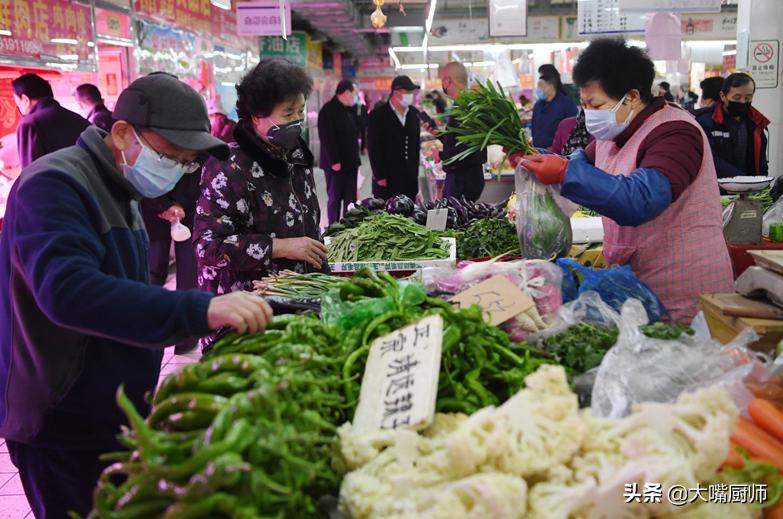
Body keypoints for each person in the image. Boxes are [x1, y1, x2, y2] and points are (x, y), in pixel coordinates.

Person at [0, 73, 273, 518]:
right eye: (171, 157)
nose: (176, 171)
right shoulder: (53, 184)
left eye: (187, 163)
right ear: (124, 133)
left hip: (108, 414)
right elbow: (68, 291)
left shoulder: (120, 185)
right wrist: (200, 309)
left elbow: (126, 287)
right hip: (62, 420)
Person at [514, 38, 733, 323]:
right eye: (583, 104)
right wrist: (530, 158)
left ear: (631, 96)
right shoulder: (613, 133)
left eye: (595, 104)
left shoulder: (676, 134)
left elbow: (640, 200)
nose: (589, 114)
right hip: (638, 287)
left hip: (685, 293)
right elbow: (575, 163)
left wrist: (563, 173)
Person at [194, 59, 326, 348]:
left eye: (300, 111)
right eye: (287, 112)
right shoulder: (228, 167)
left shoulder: (295, 156)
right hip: (246, 314)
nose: (296, 120)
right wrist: (282, 246)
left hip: (296, 305)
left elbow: (307, 224)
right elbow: (208, 246)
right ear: (256, 114)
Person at [696, 73, 769, 179]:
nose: (743, 102)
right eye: (737, 97)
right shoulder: (706, 122)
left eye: (748, 97)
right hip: (717, 189)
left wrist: (762, 183)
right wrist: (742, 179)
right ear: (723, 96)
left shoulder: (756, 123)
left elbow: (761, 161)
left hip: (750, 189)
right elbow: (710, 159)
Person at [13, 73, 90, 168]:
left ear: (25, 100)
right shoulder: (79, 119)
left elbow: (31, 172)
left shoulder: (30, 124)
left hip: (51, 182)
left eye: (17, 102)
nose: (18, 107)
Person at [435, 61, 487, 201]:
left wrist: (442, 155)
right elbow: (461, 139)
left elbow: (467, 149)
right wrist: (439, 135)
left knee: (458, 220)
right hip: (467, 177)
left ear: (447, 81)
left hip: (463, 180)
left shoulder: (465, 107)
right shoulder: (467, 104)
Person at [367, 76, 423, 200]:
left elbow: (415, 147)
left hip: (410, 178)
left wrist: (416, 180)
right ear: (397, 93)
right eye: (408, 92)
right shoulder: (378, 115)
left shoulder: (414, 114)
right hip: (388, 178)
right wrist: (379, 176)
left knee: (409, 214)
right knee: (389, 214)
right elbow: (373, 147)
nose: (411, 96)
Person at [318, 79, 361, 223]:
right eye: (354, 94)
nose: (355, 97)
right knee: (335, 198)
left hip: (351, 163)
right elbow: (326, 137)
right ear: (347, 92)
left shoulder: (349, 110)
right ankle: (333, 228)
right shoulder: (328, 110)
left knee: (351, 198)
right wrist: (334, 161)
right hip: (335, 165)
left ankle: (349, 226)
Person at [531, 68, 578, 149]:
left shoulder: (566, 104)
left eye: (540, 85)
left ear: (551, 86)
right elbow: (534, 125)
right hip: (537, 150)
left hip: (558, 152)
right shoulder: (538, 105)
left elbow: (573, 129)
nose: (538, 89)